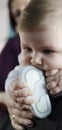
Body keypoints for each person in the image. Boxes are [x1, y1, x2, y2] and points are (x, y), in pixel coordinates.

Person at [5, 0, 62, 130]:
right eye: (27, 49)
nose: (35, 60)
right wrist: (13, 90)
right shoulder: (26, 64)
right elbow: (12, 76)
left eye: (47, 51)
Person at [0, 0, 30, 129]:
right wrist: (9, 100)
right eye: (17, 14)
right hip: (10, 116)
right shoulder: (11, 48)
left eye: (29, 7)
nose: (24, 16)